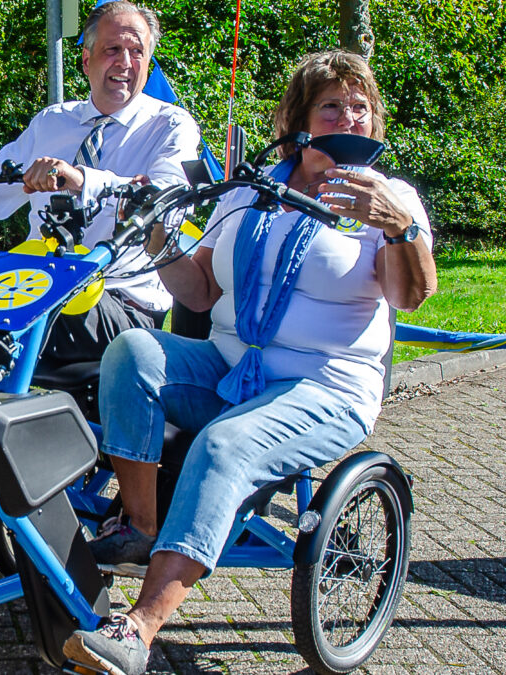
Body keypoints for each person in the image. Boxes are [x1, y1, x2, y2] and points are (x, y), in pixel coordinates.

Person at [63, 50, 438, 675]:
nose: (351, 116)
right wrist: (160, 240)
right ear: (297, 121)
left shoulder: (389, 199)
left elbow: (410, 294)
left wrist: (399, 231)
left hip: (326, 385)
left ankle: (137, 629)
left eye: (361, 107)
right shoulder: (249, 192)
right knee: (132, 349)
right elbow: (201, 292)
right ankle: (144, 525)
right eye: (332, 106)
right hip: (230, 363)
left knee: (223, 446)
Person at [0, 0, 200, 368]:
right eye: (113, 50)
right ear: (86, 60)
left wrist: (82, 180)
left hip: (119, 307)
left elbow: (169, 201)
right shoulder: (52, 122)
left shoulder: (171, 125)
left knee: (5, 317)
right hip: (39, 287)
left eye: (138, 51)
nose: (125, 62)